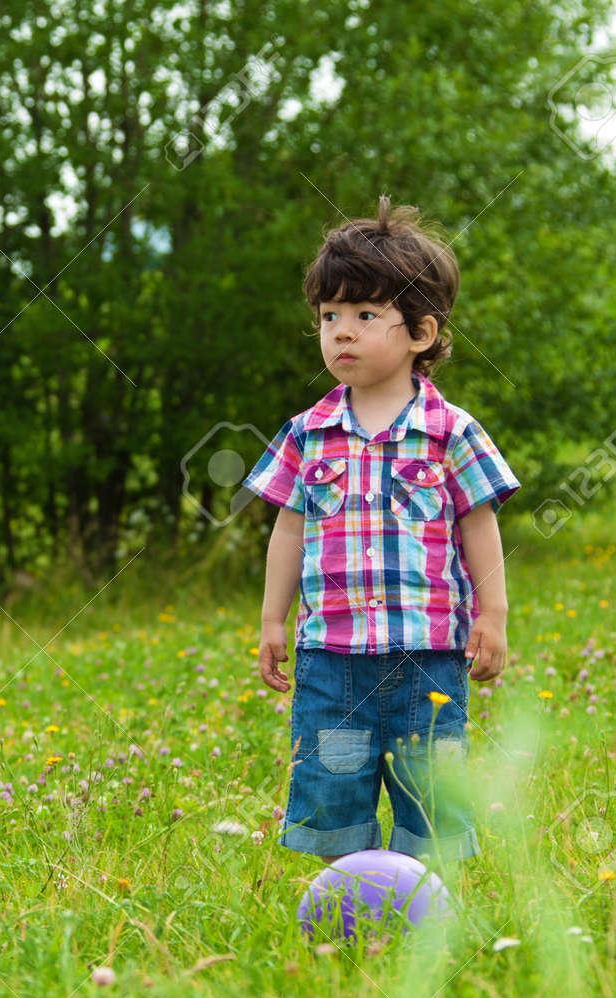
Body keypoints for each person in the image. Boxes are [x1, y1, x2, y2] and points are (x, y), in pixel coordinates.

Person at [243, 196, 520, 867]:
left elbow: (477, 523)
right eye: (329, 316)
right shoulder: (308, 432)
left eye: (365, 315)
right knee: (332, 785)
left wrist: (495, 613)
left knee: (431, 789)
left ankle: (431, 906)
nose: (340, 331)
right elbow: (287, 529)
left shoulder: (451, 431)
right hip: (331, 659)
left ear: (421, 333)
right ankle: (348, 902)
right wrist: (273, 620)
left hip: (426, 655)